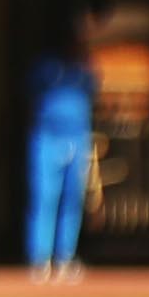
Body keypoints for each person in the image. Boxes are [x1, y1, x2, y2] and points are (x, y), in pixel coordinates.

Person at [27, 37, 97, 279]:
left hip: (77, 138)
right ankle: (40, 259)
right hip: (48, 136)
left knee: (73, 200)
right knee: (45, 197)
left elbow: (94, 89)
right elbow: (30, 89)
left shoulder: (84, 70)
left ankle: (65, 257)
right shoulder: (47, 68)